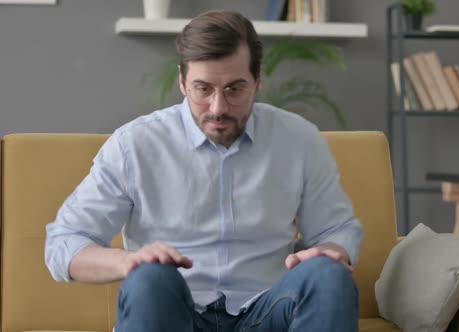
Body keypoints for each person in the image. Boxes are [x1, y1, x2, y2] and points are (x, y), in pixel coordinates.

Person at [44, 9, 363, 332]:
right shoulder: (134, 145)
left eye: (234, 89)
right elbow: (64, 243)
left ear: (258, 81)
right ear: (182, 82)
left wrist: (328, 252)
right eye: (203, 89)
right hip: (172, 312)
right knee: (149, 279)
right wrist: (129, 262)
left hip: (267, 313)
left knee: (328, 274)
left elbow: (335, 230)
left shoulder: (299, 139)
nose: (218, 108)